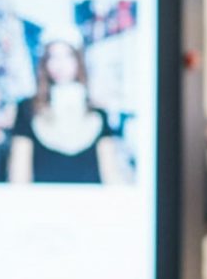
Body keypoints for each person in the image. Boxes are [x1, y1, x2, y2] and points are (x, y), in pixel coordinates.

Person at [8, 30, 122, 184]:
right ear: (44, 63)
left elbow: (111, 176)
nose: (60, 64)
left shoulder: (98, 113)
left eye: (68, 55)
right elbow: (18, 177)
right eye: (53, 57)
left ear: (78, 60)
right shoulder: (27, 109)